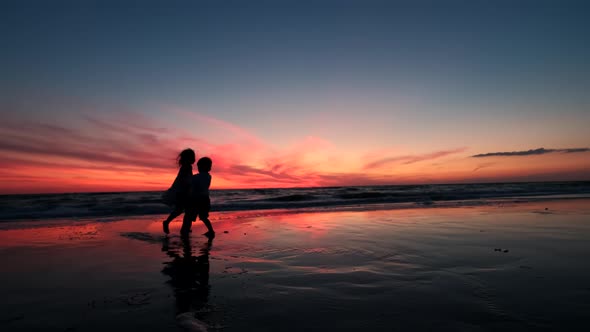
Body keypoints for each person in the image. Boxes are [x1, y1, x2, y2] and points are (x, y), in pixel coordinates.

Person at [162, 148, 196, 234]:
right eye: (193, 157)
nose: (194, 159)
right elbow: (185, 180)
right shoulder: (186, 167)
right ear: (188, 158)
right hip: (182, 192)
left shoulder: (186, 167)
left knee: (181, 210)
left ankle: (171, 223)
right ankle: (184, 228)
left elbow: (186, 179)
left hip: (182, 192)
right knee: (186, 210)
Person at [182, 157, 214, 238]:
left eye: (199, 167)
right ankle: (211, 230)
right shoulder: (208, 176)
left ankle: (186, 230)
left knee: (189, 216)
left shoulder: (198, 177)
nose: (198, 168)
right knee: (203, 217)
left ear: (203, 167)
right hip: (205, 199)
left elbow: (189, 181)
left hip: (195, 200)